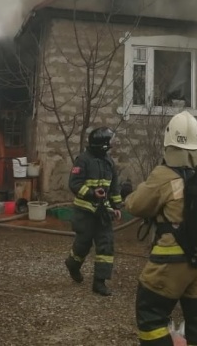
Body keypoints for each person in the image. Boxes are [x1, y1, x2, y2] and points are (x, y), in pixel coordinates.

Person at [125, 110, 197, 346]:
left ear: (169, 140)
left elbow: (136, 206)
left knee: (151, 318)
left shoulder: (164, 174)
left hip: (173, 261)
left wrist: (134, 191)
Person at [65, 126, 123, 296]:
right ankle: (73, 264)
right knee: (83, 244)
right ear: (102, 144)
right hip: (85, 213)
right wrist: (91, 193)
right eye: (110, 142)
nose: (112, 145)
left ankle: (100, 282)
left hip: (102, 213)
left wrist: (117, 207)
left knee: (106, 245)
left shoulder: (109, 162)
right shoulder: (82, 160)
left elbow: (114, 188)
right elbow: (74, 184)